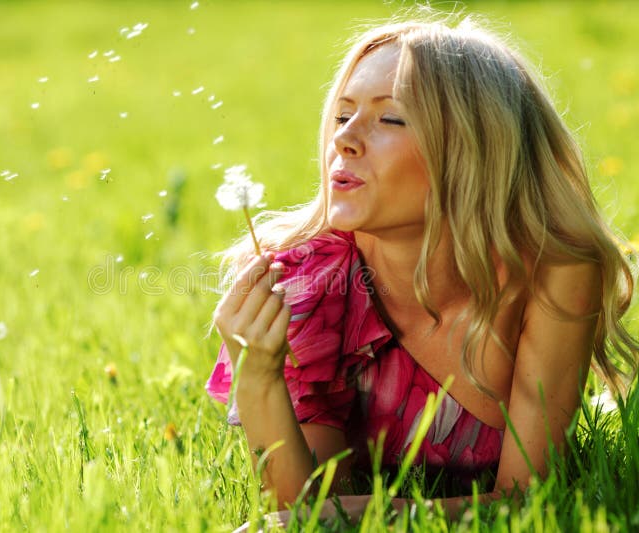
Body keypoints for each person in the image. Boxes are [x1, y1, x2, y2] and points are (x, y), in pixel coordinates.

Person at [206, 15, 639, 523]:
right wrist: (259, 378)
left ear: (473, 149)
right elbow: (304, 508)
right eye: (343, 116)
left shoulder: (552, 273)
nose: (344, 140)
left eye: (390, 119)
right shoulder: (311, 278)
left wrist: (389, 513)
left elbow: (532, 499)